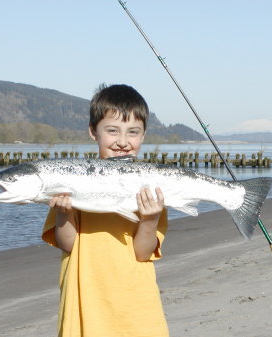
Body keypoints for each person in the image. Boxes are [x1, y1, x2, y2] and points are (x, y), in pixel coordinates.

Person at [41, 84, 169, 337]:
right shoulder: (72, 183)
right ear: (93, 132)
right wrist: (64, 213)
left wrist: (150, 218)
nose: (122, 141)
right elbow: (68, 244)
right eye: (112, 131)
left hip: (137, 311)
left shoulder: (151, 187)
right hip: (85, 307)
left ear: (143, 136)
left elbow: (143, 253)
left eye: (133, 132)